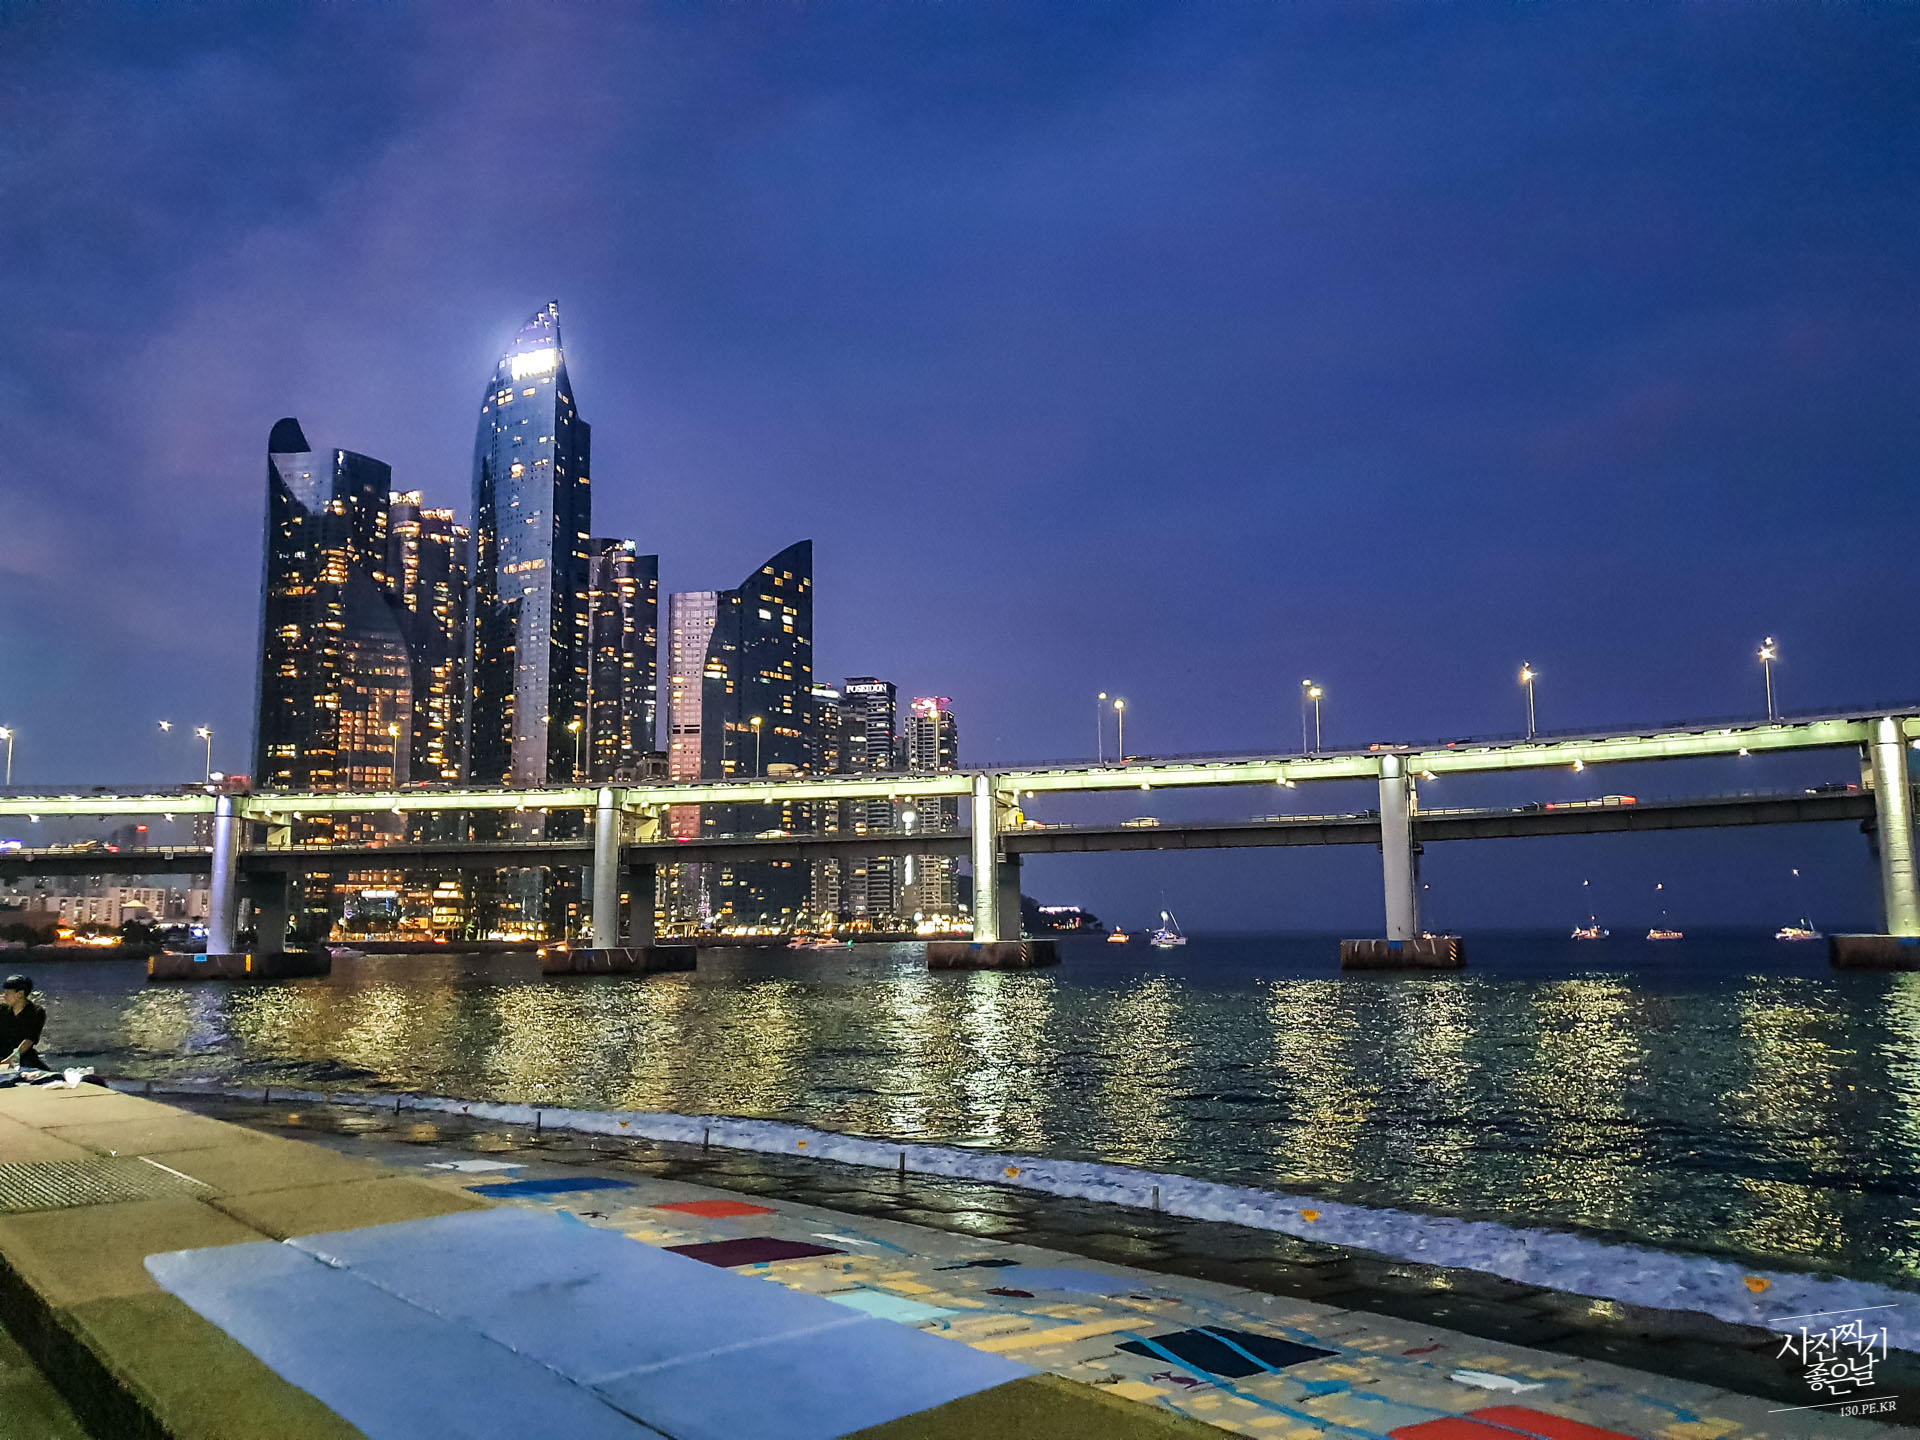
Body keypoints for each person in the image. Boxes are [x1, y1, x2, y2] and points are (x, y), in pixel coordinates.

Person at [0, 975, 46, 1070]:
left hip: (23, 1057)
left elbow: (28, 1040)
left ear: (20, 994)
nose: (4, 995)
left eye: (7, 993)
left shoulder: (36, 1012)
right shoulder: (2, 1009)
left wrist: (10, 1060)